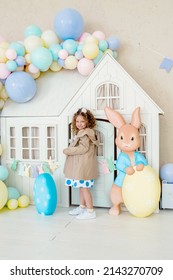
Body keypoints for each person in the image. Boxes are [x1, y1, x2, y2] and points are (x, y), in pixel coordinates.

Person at [63, 107, 99, 220]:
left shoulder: (85, 133)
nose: (79, 124)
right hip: (82, 164)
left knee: (84, 188)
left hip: (84, 165)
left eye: (82, 121)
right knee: (81, 187)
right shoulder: (82, 132)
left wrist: (68, 150)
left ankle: (90, 211)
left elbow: (83, 148)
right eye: (77, 121)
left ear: (88, 121)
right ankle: (82, 207)